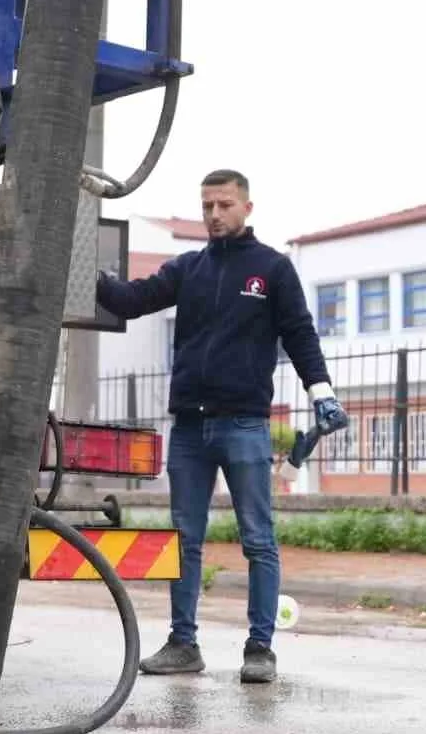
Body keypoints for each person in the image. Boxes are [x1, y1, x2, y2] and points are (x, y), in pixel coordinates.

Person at [96, 168, 347, 683]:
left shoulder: (272, 269)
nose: (214, 214)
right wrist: (81, 268)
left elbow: (300, 335)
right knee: (184, 538)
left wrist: (320, 393)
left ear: (247, 208)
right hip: (189, 428)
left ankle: (260, 649)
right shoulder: (189, 269)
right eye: (207, 205)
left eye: (225, 205)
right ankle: (182, 644)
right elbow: (130, 300)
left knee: (258, 538)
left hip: (244, 425)